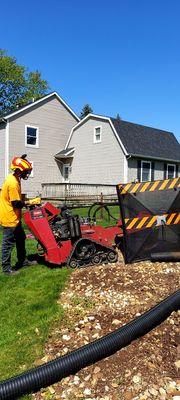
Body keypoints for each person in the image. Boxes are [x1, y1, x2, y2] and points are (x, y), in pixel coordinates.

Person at [0, 154, 36, 275]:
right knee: (8, 244)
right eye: (26, 171)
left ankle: (22, 261)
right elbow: (16, 204)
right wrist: (30, 202)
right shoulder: (13, 183)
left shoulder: (15, 178)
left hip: (15, 217)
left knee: (21, 238)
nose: (27, 174)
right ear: (19, 170)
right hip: (9, 218)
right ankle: (6, 269)